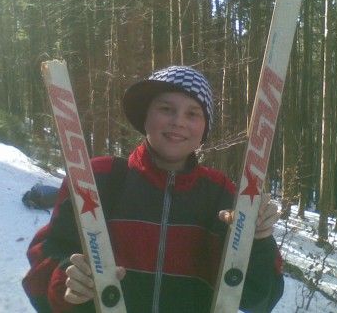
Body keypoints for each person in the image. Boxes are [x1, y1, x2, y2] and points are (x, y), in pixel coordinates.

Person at [23, 65, 284, 313]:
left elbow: (259, 299)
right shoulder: (95, 179)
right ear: (145, 116)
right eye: (166, 108)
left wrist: (259, 240)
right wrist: (67, 278)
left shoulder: (222, 195)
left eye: (192, 113)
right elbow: (41, 268)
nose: (178, 121)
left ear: (204, 128)